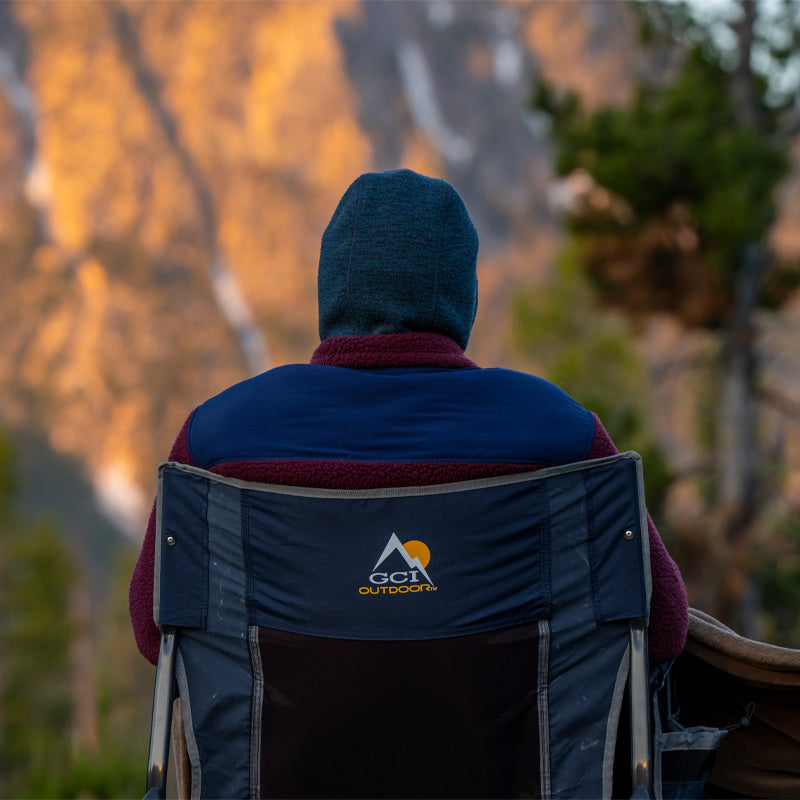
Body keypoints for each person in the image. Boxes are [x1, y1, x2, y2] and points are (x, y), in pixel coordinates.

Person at [130, 167, 688, 667]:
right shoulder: (560, 430)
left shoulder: (218, 438)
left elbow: (156, 632)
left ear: (331, 287)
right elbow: (662, 631)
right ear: (460, 295)